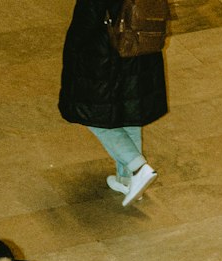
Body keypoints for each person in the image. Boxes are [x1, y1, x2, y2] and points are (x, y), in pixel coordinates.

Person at [59, 0, 166, 207]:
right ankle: (127, 179)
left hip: (106, 49)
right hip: (139, 41)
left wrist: (74, 46)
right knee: (129, 110)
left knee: (92, 113)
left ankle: (137, 167)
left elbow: (89, 16)